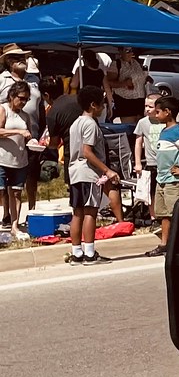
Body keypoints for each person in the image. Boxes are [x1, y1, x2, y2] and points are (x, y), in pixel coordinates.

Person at [66, 86, 121, 265]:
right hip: (88, 173)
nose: (104, 107)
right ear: (93, 105)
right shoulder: (90, 124)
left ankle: (76, 252)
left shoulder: (76, 123)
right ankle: (89, 253)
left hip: (75, 172)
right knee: (90, 211)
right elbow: (87, 152)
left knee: (77, 213)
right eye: (102, 103)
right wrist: (108, 171)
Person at [148, 96, 179, 258]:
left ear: (167, 112)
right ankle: (165, 244)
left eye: (158, 112)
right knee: (164, 214)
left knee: (176, 213)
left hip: (173, 181)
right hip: (162, 180)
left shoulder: (177, 132)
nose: (155, 114)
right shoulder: (164, 131)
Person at [0, 43, 44, 217]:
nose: (23, 61)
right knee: (6, 179)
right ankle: (7, 213)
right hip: (8, 135)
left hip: (32, 134)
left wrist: (43, 128)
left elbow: (39, 104)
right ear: (9, 62)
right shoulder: (2, 80)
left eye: (24, 57)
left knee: (31, 174)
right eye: (18, 58)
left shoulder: (34, 79)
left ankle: (32, 210)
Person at [0, 81, 34, 241]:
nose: (23, 102)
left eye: (26, 99)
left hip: (20, 159)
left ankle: (15, 226)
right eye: (21, 98)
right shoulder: (3, 109)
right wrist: (18, 131)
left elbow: (28, 135)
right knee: (1, 191)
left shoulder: (25, 116)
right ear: (12, 96)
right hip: (2, 158)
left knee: (16, 192)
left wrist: (34, 142)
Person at [133, 93, 162, 221]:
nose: (147, 109)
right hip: (151, 162)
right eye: (145, 106)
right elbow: (138, 143)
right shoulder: (142, 123)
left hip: (165, 163)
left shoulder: (165, 121)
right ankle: (153, 216)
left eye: (150, 106)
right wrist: (138, 162)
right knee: (151, 192)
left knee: (164, 191)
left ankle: (164, 215)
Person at [104, 47, 148, 124]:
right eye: (127, 51)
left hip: (140, 99)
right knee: (129, 125)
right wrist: (124, 83)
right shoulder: (116, 64)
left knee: (139, 124)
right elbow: (109, 82)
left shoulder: (136, 62)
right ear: (120, 51)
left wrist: (146, 78)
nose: (131, 53)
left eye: (132, 51)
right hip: (125, 100)